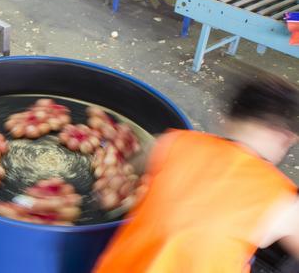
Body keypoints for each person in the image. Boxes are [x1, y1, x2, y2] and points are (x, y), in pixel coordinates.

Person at [94, 73, 299, 273]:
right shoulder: (281, 202)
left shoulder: (171, 143)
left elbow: (129, 171)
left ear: (225, 119)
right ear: (286, 138)